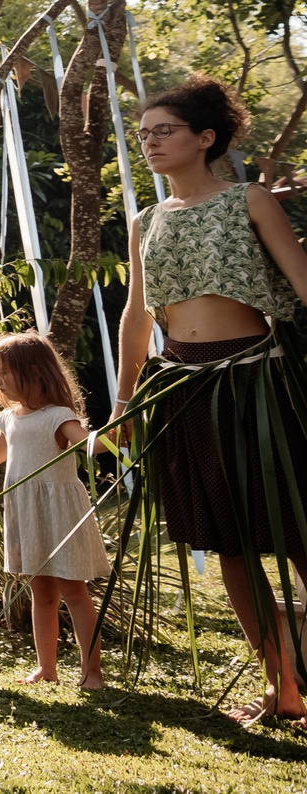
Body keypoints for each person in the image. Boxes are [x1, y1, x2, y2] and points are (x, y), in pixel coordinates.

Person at [113, 76, 307, 724]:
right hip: (183, 390)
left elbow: (303, 285)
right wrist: (122, 402)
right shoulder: (145, 222)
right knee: (228, 544)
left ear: (205, 138)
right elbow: (137, 318)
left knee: (300, 533)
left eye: (162, 131)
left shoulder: (248, 200)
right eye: (143, 134)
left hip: (257, 385)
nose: (150, 143)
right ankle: (285, 690)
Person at [0, 331, 107, 691]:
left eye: (4, 371)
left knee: (74, 591)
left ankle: (93, 672)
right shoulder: (8, 419)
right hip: (26, 510)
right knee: (42, 593)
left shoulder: (58, 415)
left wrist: (118, 432)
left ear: (36, 371)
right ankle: (47, 668)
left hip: (58, 512)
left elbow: (89, 443)